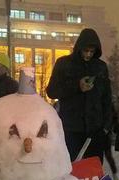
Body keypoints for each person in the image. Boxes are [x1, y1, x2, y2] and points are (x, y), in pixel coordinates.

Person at [46, 28, 113, 162]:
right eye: (85, 50)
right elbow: (52, 91)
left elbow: (106, 98)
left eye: (92, 51)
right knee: (72, 169)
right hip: (71, 130)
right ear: (79, 48)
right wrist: (77, 86)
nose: (88, 54)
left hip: (95, 131)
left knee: (93, 170)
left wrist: (106, 126)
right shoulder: (64, 64)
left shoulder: (100, 67)